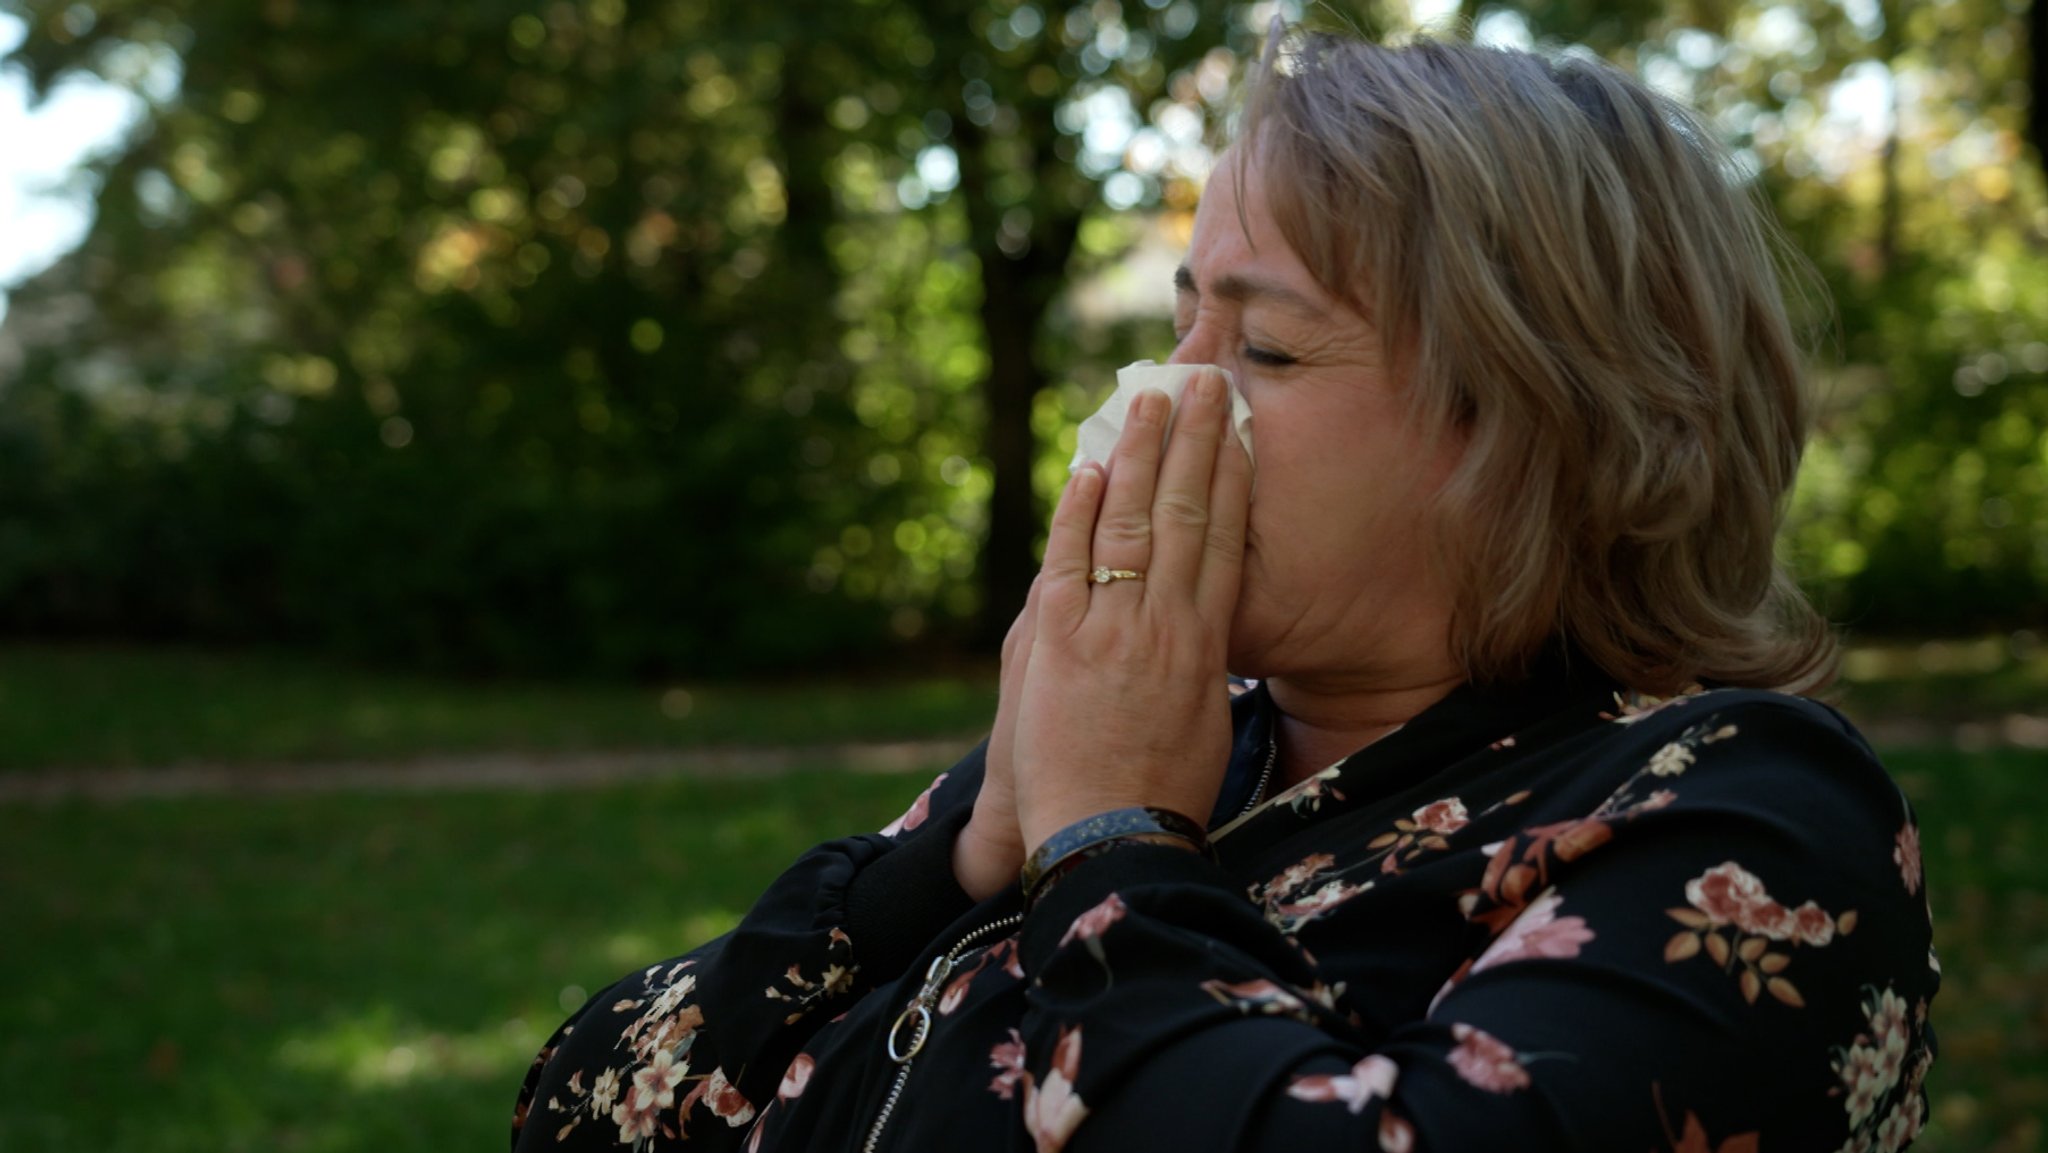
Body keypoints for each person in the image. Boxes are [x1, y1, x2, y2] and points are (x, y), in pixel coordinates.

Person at [512, 30, 1937, 1153]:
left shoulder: (1741, 819)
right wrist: (954, 858)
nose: (1161, 401)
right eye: (1181, 317)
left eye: (1267, 352)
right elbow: (586, 1111)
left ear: (1536, 428)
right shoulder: (1180, 733)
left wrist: (1114, 848)